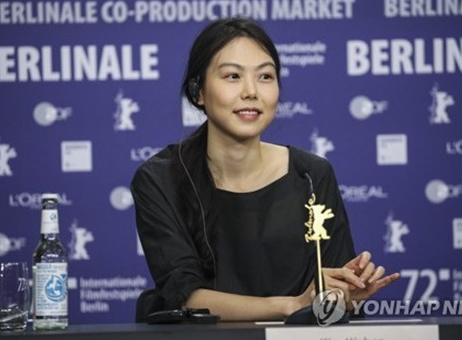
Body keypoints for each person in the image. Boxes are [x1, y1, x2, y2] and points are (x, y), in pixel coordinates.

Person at [131, 17, 399, 322]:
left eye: (265, 77)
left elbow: (330, 297)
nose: (251, 92)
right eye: (232, 76)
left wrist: (344, 296)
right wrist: (292, 304)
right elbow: (186, 296)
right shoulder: (160, 179)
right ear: (198, 91)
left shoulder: (311, 174)